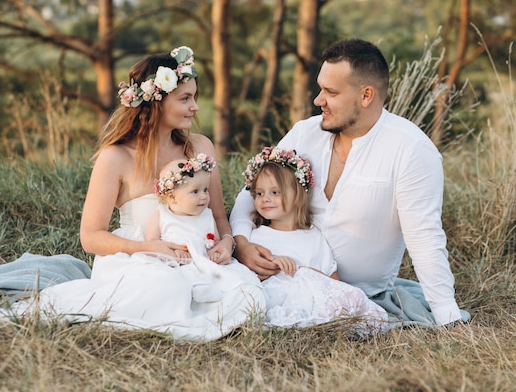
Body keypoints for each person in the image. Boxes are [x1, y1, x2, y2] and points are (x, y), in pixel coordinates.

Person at [0, 46, 264, 341]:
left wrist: (226, 242)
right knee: (168, 289)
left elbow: (218, 215)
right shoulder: (116, 157)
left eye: (194, 97)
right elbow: (90, 237)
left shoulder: (200, 148)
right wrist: (149, 248)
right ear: (156, 102)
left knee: (248, 293)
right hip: (139, 259)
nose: (195, 107)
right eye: (185, 98)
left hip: (200, 256)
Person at [230, 39, 468, 328]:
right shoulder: (304, 134)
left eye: (330, 92)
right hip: (279, 282)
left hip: (357, 296)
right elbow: (251, 193)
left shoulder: (411, 149)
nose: (318, 100)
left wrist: (448, 317)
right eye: (321, 89)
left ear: (366, 95)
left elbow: (425, 237)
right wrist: (241, 243)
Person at [243, 146, 388, 334]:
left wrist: (310, 274)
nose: (265, 199)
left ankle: (330, 320)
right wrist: (274, 263)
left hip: (312, 301)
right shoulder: (258, 236)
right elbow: (248, 276)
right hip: (277, 298)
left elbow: (333, 282)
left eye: (275, 192)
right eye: (259, 193)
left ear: (297, 195)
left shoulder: (314, 236)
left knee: (349, 296)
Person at [142, 154, 246, 303]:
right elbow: (152, 241)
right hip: (176, 261)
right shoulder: (162, 215)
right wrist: (173, 252)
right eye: (195, 192)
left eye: (205, 190)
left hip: (202, 259)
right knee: (175, 274)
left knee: (220, 272)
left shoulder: (207, 215)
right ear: (172, 197)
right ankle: (194, 289)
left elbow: (215, 240)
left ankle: (210, 288)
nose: (204, 197)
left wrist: (215, 252)